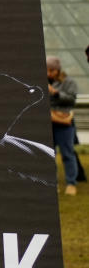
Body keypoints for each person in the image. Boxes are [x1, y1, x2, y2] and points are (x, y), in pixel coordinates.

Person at [48, 56, 79, 195]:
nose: (48, 73)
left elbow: (72, 100)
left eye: (51, 70)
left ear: (57, 69)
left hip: (63, 123)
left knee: (67, 153)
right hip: (48, 122)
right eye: (47, 70)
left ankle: (71, 183)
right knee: (48, 154)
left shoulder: (68, 81)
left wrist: (55, 93)